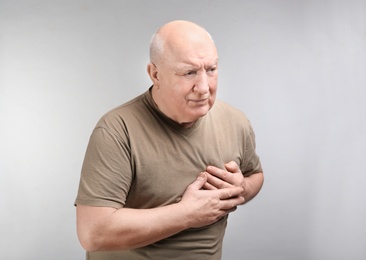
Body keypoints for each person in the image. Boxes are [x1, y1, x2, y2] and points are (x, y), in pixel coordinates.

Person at [75, 20, 264, 260]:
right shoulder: (116, 130)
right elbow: (93, 232)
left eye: (211, 69)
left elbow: (255, 175)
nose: (204, 87)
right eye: (189, 72)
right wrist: (186, 214)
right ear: (155, 74)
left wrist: (241, 189)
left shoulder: (236, 122)